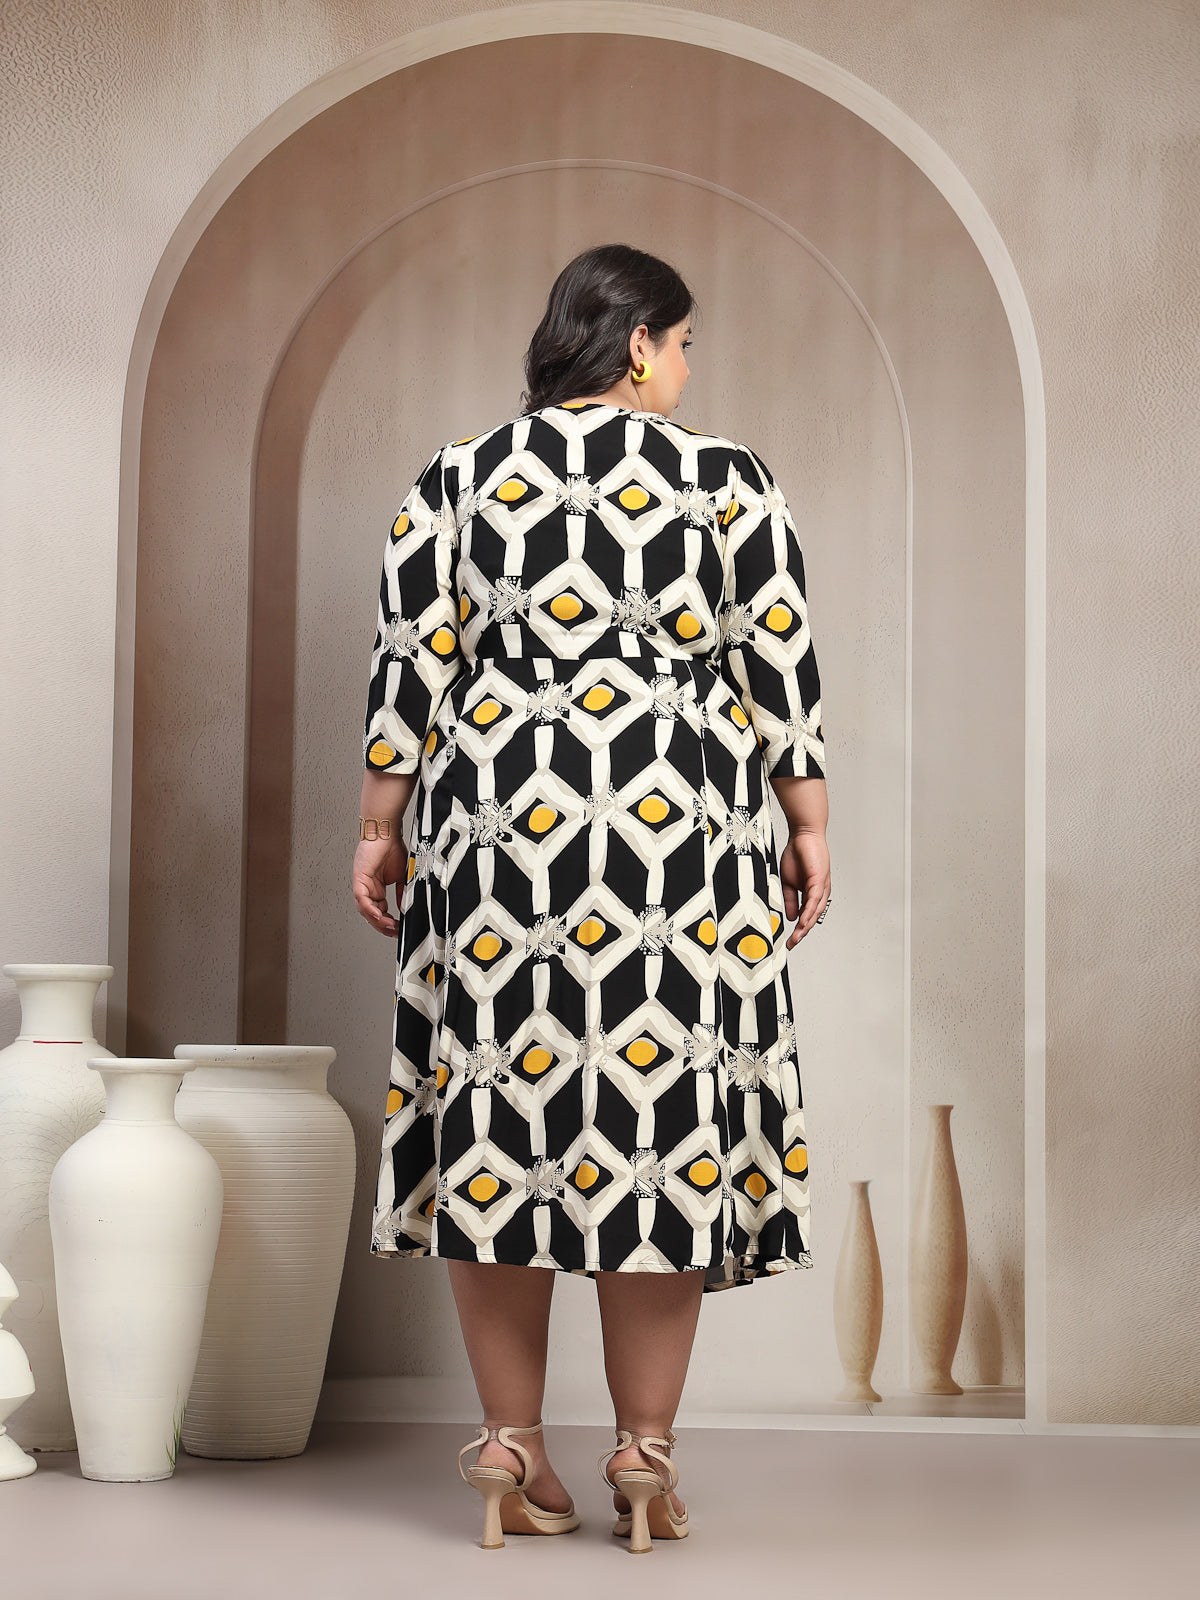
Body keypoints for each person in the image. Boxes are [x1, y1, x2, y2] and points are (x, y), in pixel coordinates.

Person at [352, 243, 832, 1554]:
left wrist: (380, 827)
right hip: (678, 836)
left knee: (495, 1123)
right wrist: (807, 822)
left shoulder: (455, 477)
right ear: (637, 345)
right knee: (659, 1123)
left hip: (499, 833)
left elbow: (410, 664)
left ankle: (509, 1443)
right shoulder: (727, 482)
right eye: (683, 347)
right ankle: (644, 1452)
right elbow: (778, 663)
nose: (687, 371)